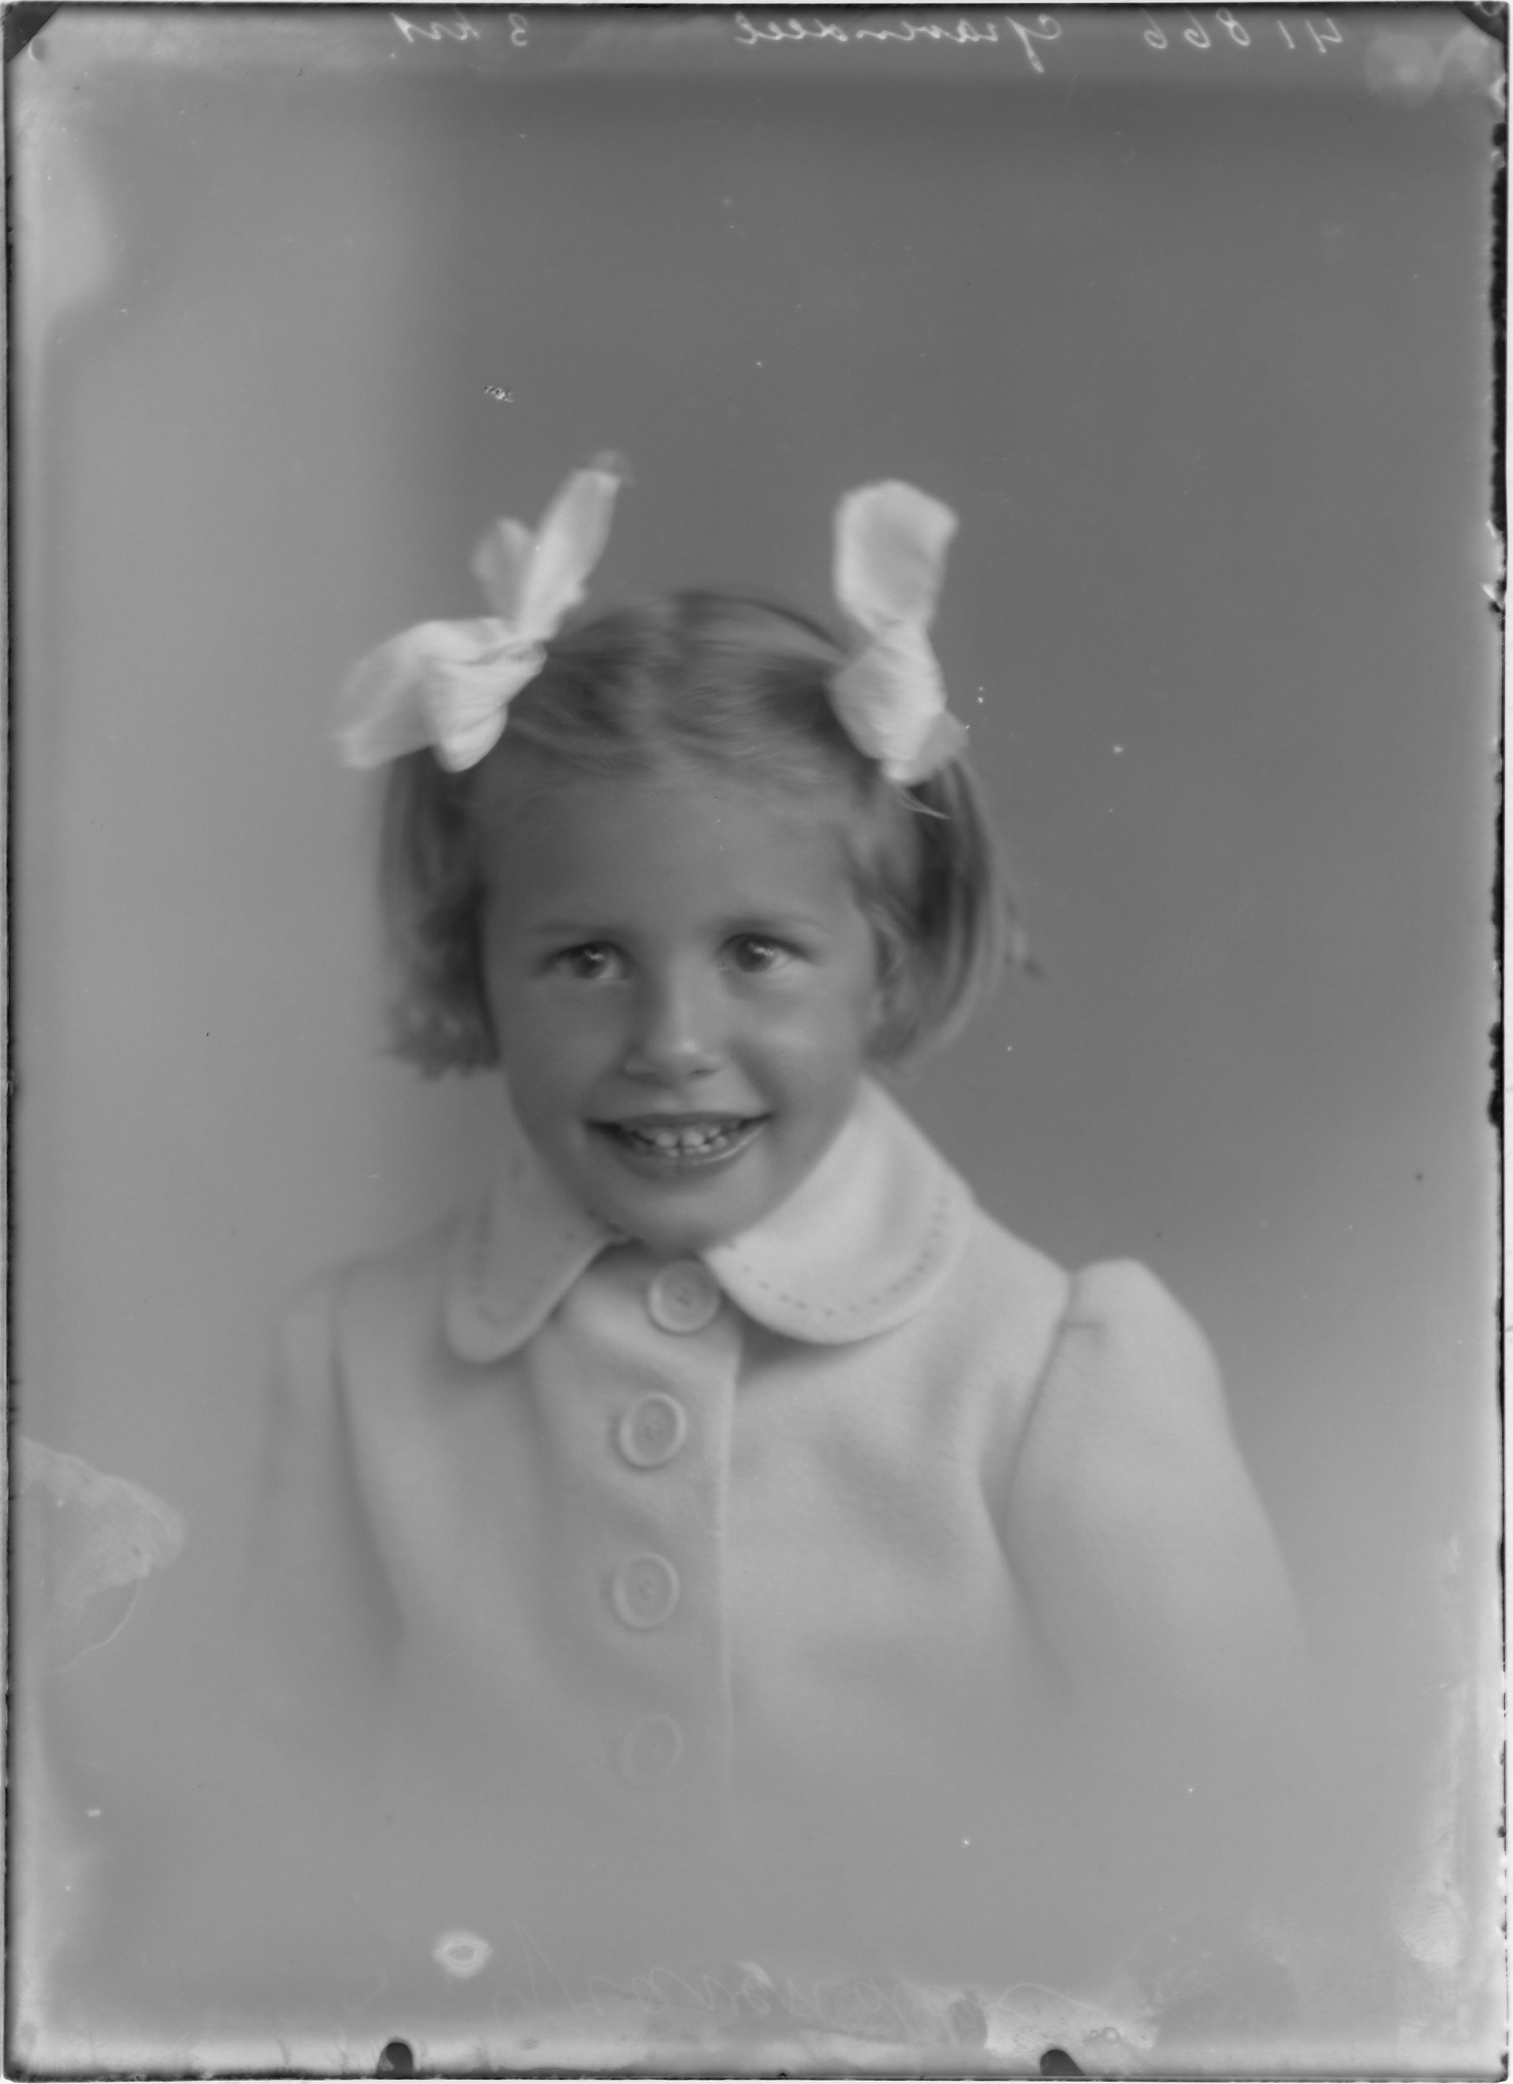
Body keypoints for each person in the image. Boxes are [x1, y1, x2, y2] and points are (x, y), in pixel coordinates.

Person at [238, 456, 1308, 2041]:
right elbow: (266, 1841)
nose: (672, 1040)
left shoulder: (1049, 1370)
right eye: (585, 958)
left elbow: (1245, 1860)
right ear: (475, 976)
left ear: (887, 968)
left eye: (756, 951)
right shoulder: (357, 1363)